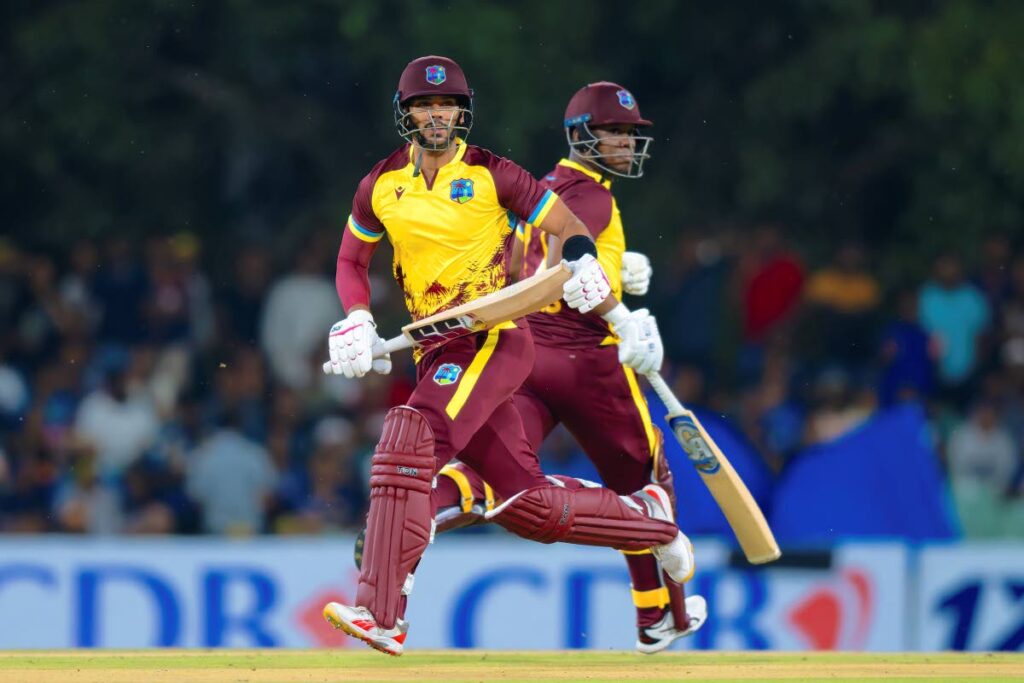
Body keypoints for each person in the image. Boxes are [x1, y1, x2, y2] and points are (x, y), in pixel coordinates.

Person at [321, 56, 693, 656]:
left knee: (409, 439)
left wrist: (589, 268)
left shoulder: (495, 174)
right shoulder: (381, 184)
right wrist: (358, 317)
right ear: (405, 114)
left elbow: (565, 226)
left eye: (445, 105)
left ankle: (381, 612)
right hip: (435, 342)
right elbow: (350, 261)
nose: (435, 115)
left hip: (492, 338)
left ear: (462, 112)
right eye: (423, 105)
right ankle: (650, 519)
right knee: (526, 504)